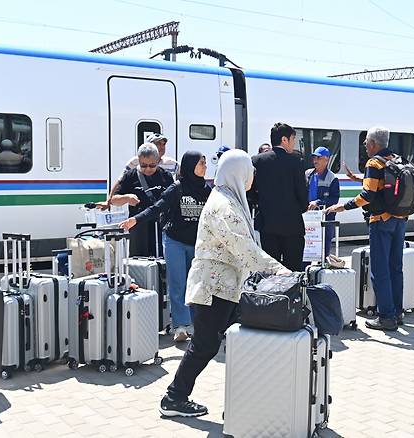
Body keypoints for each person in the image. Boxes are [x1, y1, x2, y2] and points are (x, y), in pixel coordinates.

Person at [159, 149, 290, 418]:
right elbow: (244, 248)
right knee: (205, 346)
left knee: (242, 341)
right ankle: (174, 398)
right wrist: (281, 271)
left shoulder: (230, 199)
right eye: (250, 172)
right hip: (213, 291)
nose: (253, 177)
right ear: (238, 173)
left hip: (227, 289)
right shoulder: (223, 207)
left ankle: (241, 402)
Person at [119, 151, 212, 342]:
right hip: (175, 241)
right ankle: (180, 325)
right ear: (190, 165)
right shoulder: (176, 188)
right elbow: (157, 208)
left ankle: (195, 324)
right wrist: (135, 219)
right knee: (178, 284)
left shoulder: (207, 190)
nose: (204, 166)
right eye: (201, 163)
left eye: (204, 163)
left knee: (195, 286)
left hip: (197, 244)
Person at [327, 127, 406, 331]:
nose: (364, 146)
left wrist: (342, 207)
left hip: (380, 222)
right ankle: (397, 313)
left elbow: (368, 195)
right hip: (399, 220)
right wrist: (357, 179)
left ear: (372, 144)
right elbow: (381, 186)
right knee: (395, 268)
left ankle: (386, 317)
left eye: (365, 143)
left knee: (380, 270)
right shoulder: (395, 159)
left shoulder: (373, 162)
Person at [248, 122, 309, 272]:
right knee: (293, 271)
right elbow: (302, 194)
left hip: (267, 226)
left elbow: (249, 191)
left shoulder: (257, 161)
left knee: (271, 271)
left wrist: (261, 203)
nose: (294, 144)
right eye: (293, 139)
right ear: (284, 139)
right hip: (292, 227)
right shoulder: (295, 161)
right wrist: (299, 208)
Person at [110, 143, 173, 257]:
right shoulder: (131, 175)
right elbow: (113, 200)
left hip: (159, 227)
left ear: (158, 161)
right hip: (137, 227)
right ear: (138, 160)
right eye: (144, 165)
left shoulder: (166, 176)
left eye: (152, 165)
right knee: (138, 262)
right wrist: (127, 198)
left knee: (160, 262)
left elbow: (173, 201)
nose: (148, 169)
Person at [106, 133, 179, 205]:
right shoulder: (133, 166)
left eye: (163, 144)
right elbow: (120, 182)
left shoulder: (170, 167)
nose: (148, 169)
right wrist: (124, 198)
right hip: (136, 215)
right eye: (143, 165)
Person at [306, 146, 340, 257]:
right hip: (308, 218)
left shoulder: (332, 178)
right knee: (307, 250)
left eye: (319, 158)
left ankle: (322, 270)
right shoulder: (308, 174)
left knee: (324, 250)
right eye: (314, 158)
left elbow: (335, 199)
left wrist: (318, 202)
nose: (315, 160)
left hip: (325, 218)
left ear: (327, 159)